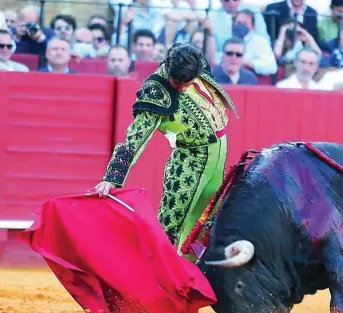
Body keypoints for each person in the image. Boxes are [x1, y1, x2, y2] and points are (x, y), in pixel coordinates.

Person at [95, 43, 239, 263]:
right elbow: (136, 137)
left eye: (187, 83)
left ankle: (194, 281)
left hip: (219, 152)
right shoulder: (155, 91)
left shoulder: (194, 62)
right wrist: (112, 177)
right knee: (171, 225)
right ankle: (156, 281)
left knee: (208, 222)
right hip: (190, 161)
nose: (181, 88)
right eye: (177, 83)